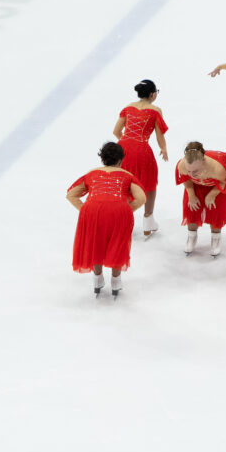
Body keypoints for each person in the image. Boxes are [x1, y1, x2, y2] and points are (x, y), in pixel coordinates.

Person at [67, 142, 147, 296]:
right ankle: (116, 282)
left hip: (92, 212)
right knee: (118, 242)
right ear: (121, 160)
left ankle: (97, 279)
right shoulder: (127, 176)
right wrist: (125, 210)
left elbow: (71, 194)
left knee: (95, 242)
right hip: (119, 211)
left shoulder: (91, 173)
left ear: (102, 159)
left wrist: (85, 210)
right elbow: (142, 198)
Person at [112, 79, 169, 237]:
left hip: (122, 150)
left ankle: (122, 221)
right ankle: (147, 220)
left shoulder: (128, 107)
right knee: (149, 185)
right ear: (152, 94)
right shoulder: (155, 110)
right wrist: (163, 149)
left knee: (124, 185)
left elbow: (116, 131)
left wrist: (126, 142)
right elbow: (159, 135)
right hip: (142, 150)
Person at [175, 142, 226, 256]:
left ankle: (216, 239)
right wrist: (191, 195)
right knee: (191, 208)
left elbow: (225, 182)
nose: (191, 174)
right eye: (189, 171)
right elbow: (186, 179)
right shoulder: (182, 165)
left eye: (195, 171)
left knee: (215, 209)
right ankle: (191, 237)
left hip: (218, 184)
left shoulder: (218, 169)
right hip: (197, 184)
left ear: (203, 162)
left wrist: (212, 194)